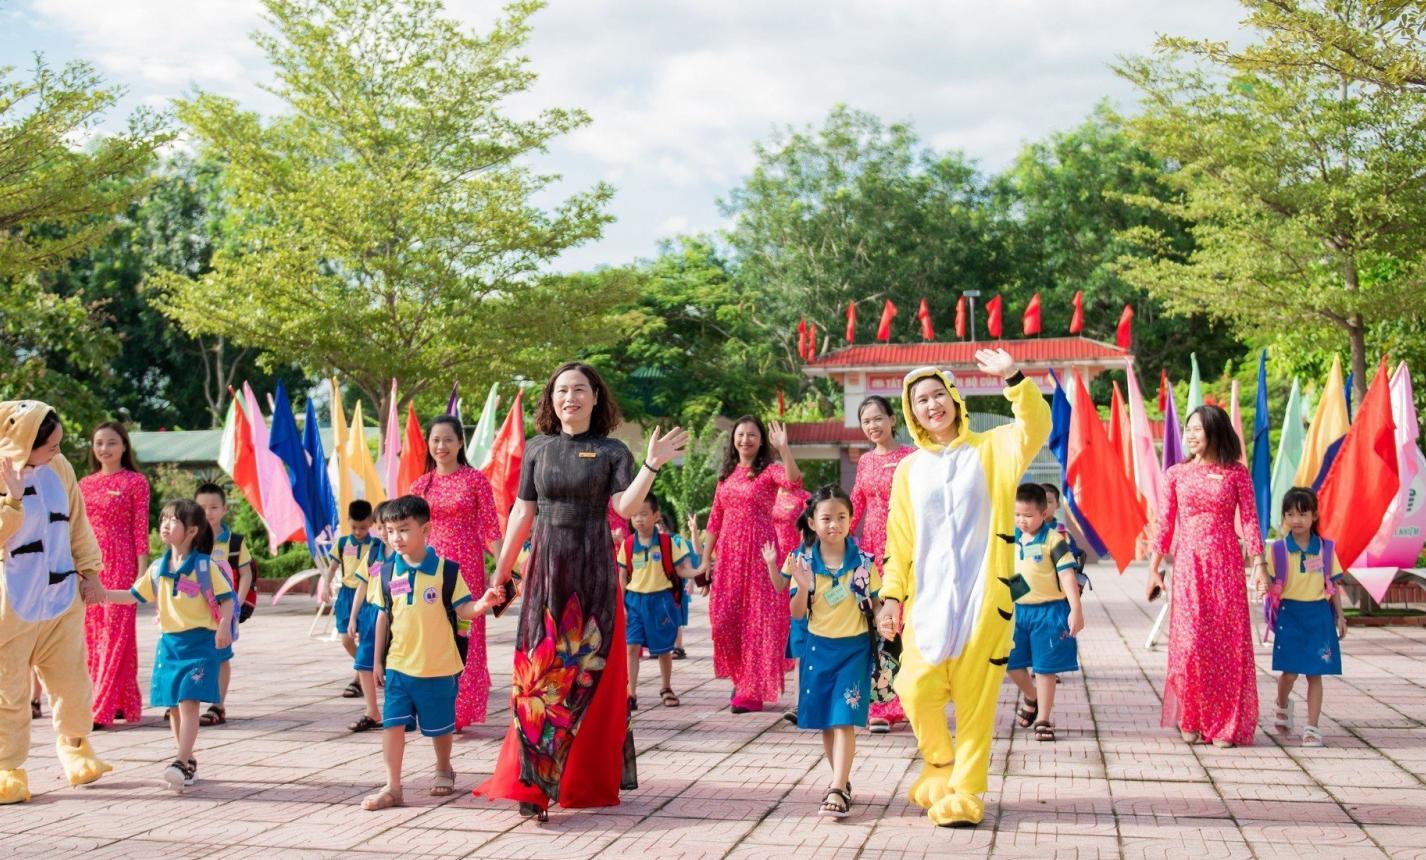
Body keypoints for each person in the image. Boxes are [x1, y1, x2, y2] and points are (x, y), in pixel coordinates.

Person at [475, 361, 687, 821]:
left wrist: (651, 464)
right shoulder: (537, 449)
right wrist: (502, 572)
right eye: (561, 390)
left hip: (593, 570)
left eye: (579, 390)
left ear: (595, 397)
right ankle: (532, 784)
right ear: (552, 400)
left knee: (584, 673)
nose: (569, 397)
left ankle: (577, 779)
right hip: (544, 571)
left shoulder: (612, 452)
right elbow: (520, 514)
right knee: (534, 677)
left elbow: (625, 508)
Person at [874, 350, 1051, 827]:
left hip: (983, 599)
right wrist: (891, 596)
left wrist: (1014, 378)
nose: (932, 406)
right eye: (921, 401)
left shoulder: (993, 448)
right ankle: (939, 763)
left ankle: (967, 792)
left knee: (976, 703)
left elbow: (1035, 425)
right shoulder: (909, 470)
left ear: (954, 397)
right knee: (912, 686)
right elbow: (899, 541)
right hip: (928, 601)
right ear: (911, 414)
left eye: (938, 395)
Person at [0, 401, 112, 804]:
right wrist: (12, 500)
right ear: (24, 442)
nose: (56, 452)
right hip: (12, 605)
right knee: (8, 692)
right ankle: (7, 767)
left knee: (71, 681)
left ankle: (76, 747)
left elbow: (77, 522)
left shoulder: (61, 468)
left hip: (61, 598)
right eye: (49, 446)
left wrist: (91, 572)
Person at [360, 496, 501, 811]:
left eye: (405, 530)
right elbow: (383, 615)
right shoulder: (384, 573)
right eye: (391, 530)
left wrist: (483, 604)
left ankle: (443, 767)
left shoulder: (446, 571)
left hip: (438, 665)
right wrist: (377, 661)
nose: (397, 538)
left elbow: (463, 608)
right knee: (392, 724)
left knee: (440, 726)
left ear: (426, 530)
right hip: (398, 665)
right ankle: (393, 787)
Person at [1147, 404, 1265, 749]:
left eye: (1198, 429)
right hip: (1188, 566)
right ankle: (1192, 717)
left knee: (1227, 645)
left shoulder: (1236, 473)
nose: (1191, 435)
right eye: (1188, 429)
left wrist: (1259, 565)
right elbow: (1165, 525)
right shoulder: (1176, 474)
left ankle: (1225, 725)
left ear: (1215, 431)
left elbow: (1251, 523)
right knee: (1190, 643)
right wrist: (1154, 569)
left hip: (1226, 563)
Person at [102, 499, 234, 791]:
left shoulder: (204, 566)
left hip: (199, 643)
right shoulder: (157, 568)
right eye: (163, 518)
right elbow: (133, 595)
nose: (165, 524)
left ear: (192, 531)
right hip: (169, 645)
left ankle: (179, 760)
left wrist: (224, 625)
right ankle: (187, 762)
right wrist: (101, 594)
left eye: (173, 520)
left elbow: (227, 599)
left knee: (189, 704)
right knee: (174, 708)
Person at [781, 485, 879, 818]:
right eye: (826, 518)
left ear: (852, 521)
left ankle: (837, 788)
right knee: (826, 720)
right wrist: (804, 586)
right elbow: (796, 613)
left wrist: (888, 620)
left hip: (854, 650)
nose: (833, 524)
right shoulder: (803, 562)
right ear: (812, 522)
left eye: (841, 517)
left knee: (844, 719)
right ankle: (842, 778)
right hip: (817, 649)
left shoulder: (864, 563)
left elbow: (877, 606)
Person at [696, 416, 803, 713]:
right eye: (741, 434)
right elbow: (715, 520)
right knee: (724, 619)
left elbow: (794, 481)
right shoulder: (725, 476)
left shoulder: (769, 472)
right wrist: (706, 559)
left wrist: (784, 448)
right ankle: (742, 676)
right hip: (729, 556)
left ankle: (751, 688)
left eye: (752, 435)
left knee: (757, 621)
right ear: (733, 439)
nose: (746, 440)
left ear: (761, 440)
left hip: (761, 554)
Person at [409, 415, 502, 730]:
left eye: (448, 439)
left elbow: (491, 528)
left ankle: (462, 707)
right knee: (432, 632)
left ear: (460, 442)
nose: (441, 446)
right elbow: (406, 533)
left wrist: (501, 571)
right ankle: (434, 703)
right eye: (435, 440)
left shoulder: (475, 480)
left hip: (467, 567)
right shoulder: (421, 485)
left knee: (467, 633)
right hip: (430, 567)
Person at [1259, 487, 1347, 747]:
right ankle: (1282, 704)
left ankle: (1312, 727)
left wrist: (1340, 616)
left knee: (1315, 673)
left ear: (1314, 516)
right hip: (1290, 614)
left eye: (1302, 514)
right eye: (1290, 514)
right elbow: (1269, 580)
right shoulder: (1277, 550)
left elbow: (1333, 585)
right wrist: (1264, 584)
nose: (1296, 520)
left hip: (1319, 616)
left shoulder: (1326, 549)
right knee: (1289, 674)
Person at [848, 395, 914, 733]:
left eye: (878, 418)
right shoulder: (864, 463)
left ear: (892, 419)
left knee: (903, 622)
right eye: (866, 421)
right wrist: (837, 540)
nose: (873, 426)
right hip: (872, 551)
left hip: (905, 548)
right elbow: (856, 505)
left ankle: (908, 699)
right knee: (877, 624)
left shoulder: (911, 457)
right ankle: (882, 702)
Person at [80, 421, 149, 729]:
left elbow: (140, 532)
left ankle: (100, 708)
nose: (104, 449)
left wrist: (142, 573)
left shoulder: (136, 482)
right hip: (90, 566)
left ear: (124, 446)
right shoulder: (84, 484)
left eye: (111, 442)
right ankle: (120, 701)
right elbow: (76, 531)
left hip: (121, 565)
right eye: (99, 443)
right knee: (94, 637)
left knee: (117, 635)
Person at [1005, 483, 1084, 743]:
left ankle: (1044, 718)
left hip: (1049, 613)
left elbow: (1068, 575)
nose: (1022, 521)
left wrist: (1076, 610)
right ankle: (1032, 696)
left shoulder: (1053, 540)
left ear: (1043, 514)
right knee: (1011, 663)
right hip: (1018, 614)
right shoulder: (1009, 538)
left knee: (1045, 669)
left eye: (1028, 516)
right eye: (1017, 515)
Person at [619, 494, 697, 709]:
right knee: (631, 647)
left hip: (661, 600)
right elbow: (622, 576)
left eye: (644, 514)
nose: (639, 519)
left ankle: (666, 686)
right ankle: (631, 692)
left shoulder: (668, 543)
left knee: (664, 648)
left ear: (656, 516)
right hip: (634, 602)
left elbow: (682, 569)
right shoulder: (627, 545)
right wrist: (622, 605)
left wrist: (699, 572)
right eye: (634, 515)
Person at [194, 483, 253, 726]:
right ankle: (188, 701)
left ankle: (218, 705)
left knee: (221, 655)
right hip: (196, 610)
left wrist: (236, 605)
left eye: (214, 507)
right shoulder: (191, 539)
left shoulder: (234, 542)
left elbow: (246, 573)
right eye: (202, 507)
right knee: (195, 653)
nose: (208, 512)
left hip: (223, 611)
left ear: (224, 509)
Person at [329, 500, 383, 701]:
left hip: (367, 595)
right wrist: (325, 584)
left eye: (362, 527)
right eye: (354, 527)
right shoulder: (343, 543)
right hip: (346, 594)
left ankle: (359, 678)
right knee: (346, 639)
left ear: (370, 523)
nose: (358, 531)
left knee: (366, 638)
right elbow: (333, 567)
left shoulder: (375, 545)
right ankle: (366, 669)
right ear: (348, 521)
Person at [343, 500, 389, 733]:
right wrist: (353, 617)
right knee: (363, 661)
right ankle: (372, 711)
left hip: (395, 615)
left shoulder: (406, 554)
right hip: (371, 614)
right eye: (380, 527)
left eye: (388, 527)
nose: (384, 532)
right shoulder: (373, 552)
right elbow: (362, 584)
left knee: (395, 664)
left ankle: (398, 712)